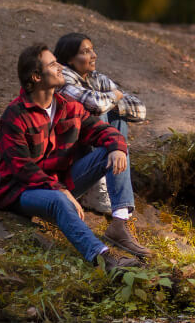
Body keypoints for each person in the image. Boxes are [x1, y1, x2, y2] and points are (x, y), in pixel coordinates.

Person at [0, 44, 153, 269]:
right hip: (22, 191)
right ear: (37, 76)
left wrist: (118, 146)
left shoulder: (67, 106)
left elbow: (101, 131)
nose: (60, 67)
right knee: (59, 199)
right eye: (52, 64)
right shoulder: (14, 116)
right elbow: (22, 169)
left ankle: (119, 223)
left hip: (63, 185)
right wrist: (59, 189)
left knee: (112, 148)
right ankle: (104, 259)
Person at [54, 32, 146, 215]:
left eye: (92, 50)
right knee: (100, 112)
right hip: (71, 167)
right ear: (70, 59)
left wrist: (111, 102)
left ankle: (116, 201)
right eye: (86, 51)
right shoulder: (62, 79)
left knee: (117, 116)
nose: (94, 55)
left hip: (92, 154)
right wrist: (114, 97)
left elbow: (140, 109)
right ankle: (98, 188)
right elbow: (96, 105)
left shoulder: (96, 78)